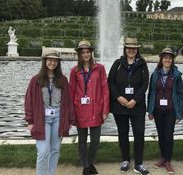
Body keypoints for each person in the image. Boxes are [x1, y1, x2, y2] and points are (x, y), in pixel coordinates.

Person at [24, 50, 75, 175]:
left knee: (55, 149)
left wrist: (70, 120)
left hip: (58, 117)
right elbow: (29, 100)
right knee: (43, 151)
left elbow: (68, 101)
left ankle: (50, 173)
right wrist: (30, 120)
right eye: (50, 60)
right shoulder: (36, 80)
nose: (52, 63)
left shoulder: (62, 80)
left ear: (58, 63)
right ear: (45, 61)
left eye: (55, 60)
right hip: (42, 118)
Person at [108, 38, 150, 175]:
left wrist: (135, 100)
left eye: (134, 48)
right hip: (120, 106)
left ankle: (139, 163)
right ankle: (125, 160)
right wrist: (119, 97)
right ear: (125, 49)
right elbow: (111, 82)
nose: (131, 50)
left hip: (137, 106)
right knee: (123, 133)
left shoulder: (142, 64)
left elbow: (145, 84)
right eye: (129, 48)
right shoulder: (118, 64)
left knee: (139, 133)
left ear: (137, 50)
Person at [69, 40, 109, 175]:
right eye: (83, 52)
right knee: (82, 139)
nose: (85, 55)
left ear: (91, 53)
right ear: (79, 55)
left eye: (87, 52)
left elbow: (105, 90)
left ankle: (90, 162)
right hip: (80, 109)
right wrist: (72, 112)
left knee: (95, 140)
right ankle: (86, 166)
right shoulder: (74, 71)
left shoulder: (100, 68)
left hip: (96, 109)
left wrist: (105, 110)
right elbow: (71, 92)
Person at [147, 47, 183, 174]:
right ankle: (163, 158)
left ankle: (168, 160)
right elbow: (151, 92)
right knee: (161, 134)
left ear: (172, 60)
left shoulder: (176, 75)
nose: (167, 59)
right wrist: (150, 110)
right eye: (165, 57)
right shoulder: (155, 74)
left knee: (168, 135)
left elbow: (180, 94)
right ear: (161, 59)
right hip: (158, 109)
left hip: (170, 110)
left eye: (169, 57)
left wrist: (180, 111)